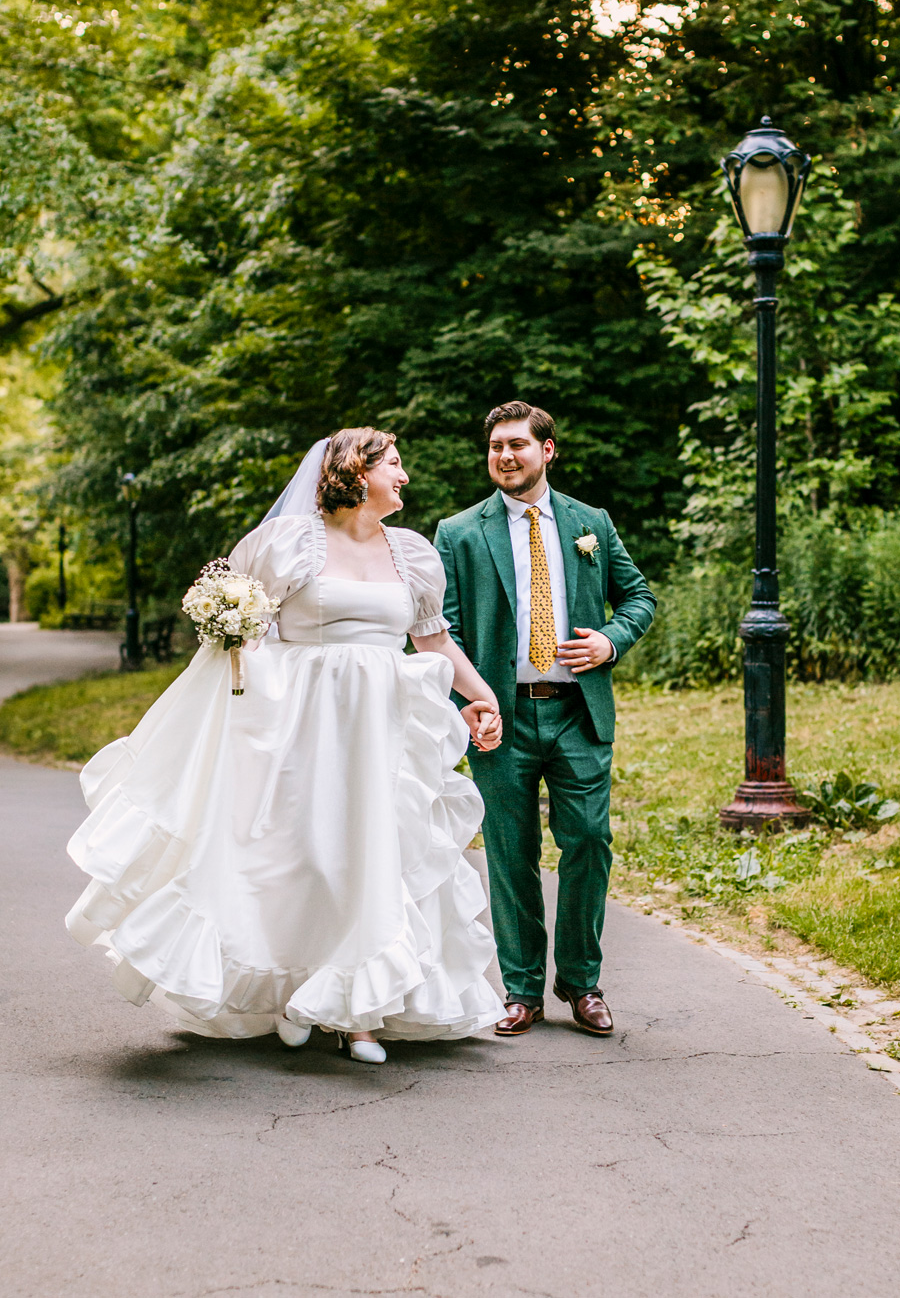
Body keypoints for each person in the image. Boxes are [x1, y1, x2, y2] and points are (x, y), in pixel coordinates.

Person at [66, 428, 506, 1064]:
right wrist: (234, 640)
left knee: (372, 857)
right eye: (395, 465)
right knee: (298, 857)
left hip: (382, 729)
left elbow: (432, 640)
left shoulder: (412, 554)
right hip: (300, 726)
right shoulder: (288, 543)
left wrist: (481, 697)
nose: (405, 477)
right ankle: (290, 995)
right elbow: (244, 630)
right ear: (357, 472)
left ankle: (361, 1015)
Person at [434, 401, 656, 1037]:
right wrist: (467, 705)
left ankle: (581, 982)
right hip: (500, 717)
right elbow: (438, 630)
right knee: (510, 852)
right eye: (496, 447)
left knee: (588, 841)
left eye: (517, 446)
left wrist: (611, 640)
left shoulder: (592, 523)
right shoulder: (459, 532)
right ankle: (522, 990)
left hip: (577, 712)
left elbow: (638, 595)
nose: (505, 456)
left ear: (547, 450)